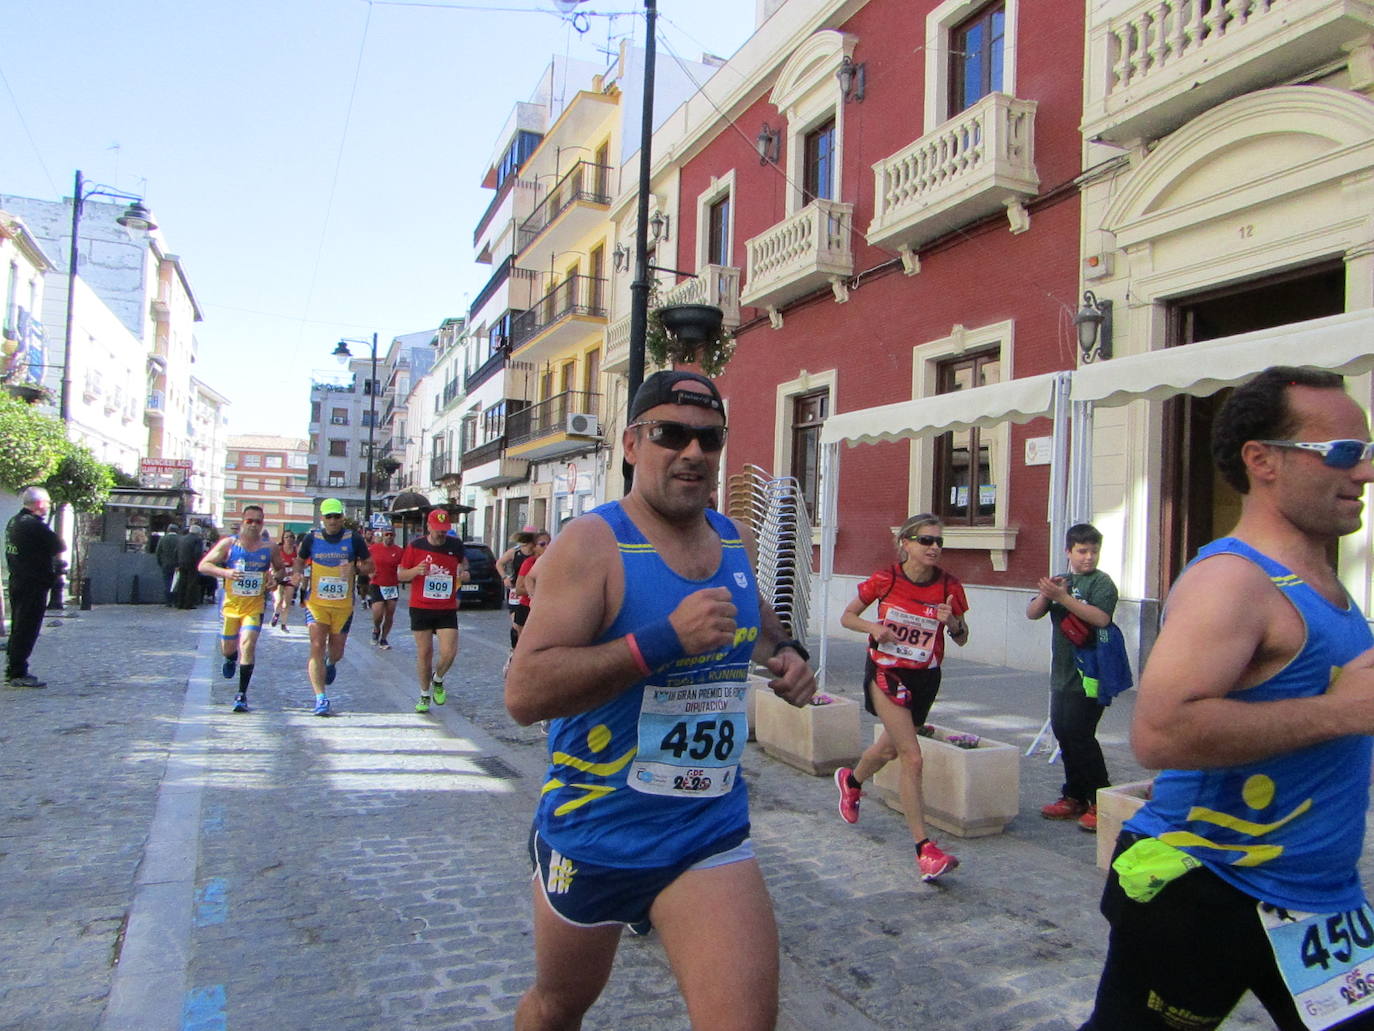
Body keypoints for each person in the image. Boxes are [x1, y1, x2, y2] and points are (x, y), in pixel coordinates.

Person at [504, 369, 816, 1031]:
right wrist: (660, 641)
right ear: (630, 443)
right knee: (558, 1007)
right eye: (670, 434)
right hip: (597, 830)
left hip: (706, 829)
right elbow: (524, 693)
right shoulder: (593, 543)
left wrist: (787, 655)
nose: (693, 452)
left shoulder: (729, 536)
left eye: (709, 438)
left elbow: (752, 616)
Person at [1080, 367, 1374, 1030]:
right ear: (1262, 460)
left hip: (1323, 906)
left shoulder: (1322, 580)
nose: (1366, 474)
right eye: (1345, 454)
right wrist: (1346, 711)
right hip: (1208, 890)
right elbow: (1159, 733)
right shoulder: (1233, 580)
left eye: (1369, 452)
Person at [832, 514, 970, 881]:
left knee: (891, 748)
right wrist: (873, 627)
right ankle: (925, 849)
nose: (934, 548)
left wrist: (952, 622)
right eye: (926, 540)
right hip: (886, 672)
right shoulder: (886, 579)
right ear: (905, 543)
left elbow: (962, 636)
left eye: (939, 542)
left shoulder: (950, 586)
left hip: (925, 675)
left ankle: (852, 781)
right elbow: (847, 617)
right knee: (912, 756)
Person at [1026, 523, 1118, 831]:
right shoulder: (1060, 581)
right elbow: (1033, 613)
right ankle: (1074, 794)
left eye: (1094, 551)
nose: (1089, 557)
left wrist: (1064, 599)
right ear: (1068, 552)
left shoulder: (1103, 584)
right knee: (1064, 733)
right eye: (1082, 551)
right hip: (1063, 674)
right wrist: (1046, 594)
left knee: (1082, 735)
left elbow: (1101, 618)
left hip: (1091, 673)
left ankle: (1099, 798)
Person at [199, 505, 286, 712]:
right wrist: (226, 573)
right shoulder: (229, 544)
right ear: (242, 521)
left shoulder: (270, 548)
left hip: (254, 606)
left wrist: (274, 579)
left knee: (248, 644)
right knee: (229, 648)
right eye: (250, 521)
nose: (254, 525)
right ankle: (230, 657)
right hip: (230, 606)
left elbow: (281, 570)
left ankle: (241, 694)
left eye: (258, 521)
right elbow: (203, 565)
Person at [292, 499, 372, 716]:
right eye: (329, 517)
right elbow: (299, 560)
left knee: (336, 652)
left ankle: (331, 661)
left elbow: (369, 566)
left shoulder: (353, 539)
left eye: (337, 516)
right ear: (322, 518)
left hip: (343, 607)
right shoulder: (312, 538)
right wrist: (298, 574)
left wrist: (355, 568)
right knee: (316, 645)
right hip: (316, 603)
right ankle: (320, 698)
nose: (333, 521)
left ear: (342, 517)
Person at [398, 509, 469, 713]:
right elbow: (401, 575)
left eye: (444, 530)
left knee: (449, 652)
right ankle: (424, 694)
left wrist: (464, 574)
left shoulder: (455, 545)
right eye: (437, 530)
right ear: (428, 527)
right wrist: (415, 571)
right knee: (425, 653)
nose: (441, 534)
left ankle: (437, 679)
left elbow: (464, 567)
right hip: (421, 607)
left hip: (446, 607)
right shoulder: (415, 546)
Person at [4, 486, 65, 688]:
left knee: (19, 626)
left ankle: (13, 667)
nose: (48, 506)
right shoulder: (34, 525)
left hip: (18, 580)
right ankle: (18, 671)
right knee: (27, 628)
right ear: (39, 504)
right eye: (47, 503)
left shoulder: (14, 522)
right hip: (32, 583)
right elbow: (58, 545)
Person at [498, 526, 539, 651]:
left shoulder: (537, 553)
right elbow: (499, 563)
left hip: (531, 591)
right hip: (516, 590)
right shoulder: (515, 552)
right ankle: (515, 649)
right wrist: (505, 577)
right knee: (516, 624)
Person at [367, 527, 404, 649]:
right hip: (377, 583)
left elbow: (404, 566)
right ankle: (376, 628)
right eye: (387, 534)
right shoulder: (374, 548)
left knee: (390, 613)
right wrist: (369, 572)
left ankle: (384, 638)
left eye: (391, 535)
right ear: (383, 535)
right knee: (378, 612)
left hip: (392, 585)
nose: (389, 537)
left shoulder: (399, 551)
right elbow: (365, 562)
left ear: (394, 536)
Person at [271, 530, 298, 631]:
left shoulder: (296, 550)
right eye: (287, 537)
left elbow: (300, 563)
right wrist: (275, 572)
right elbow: (272, 562)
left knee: (286, 603)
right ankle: (276, 614)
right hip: (279, 577)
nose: (289, 539)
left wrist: (297, 572)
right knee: (278, 600)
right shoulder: (279, 549)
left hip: (290, 579)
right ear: (283, 539)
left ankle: (283, 624)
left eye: (291, 537)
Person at [174, 525, 206, 610]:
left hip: (181, 563)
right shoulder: (197, 540)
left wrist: (177, 563)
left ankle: (180, 603)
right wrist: (199, 563)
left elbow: (176, 551)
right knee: (191, 584)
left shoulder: (181, 539)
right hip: (192, 564)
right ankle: (188, 604)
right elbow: (197, 553)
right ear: (198, 532)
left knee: (182, 583)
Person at [156, 523, 181, 607]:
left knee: (167, 582)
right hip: (177, 565)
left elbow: (158, 552)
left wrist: (160, 563)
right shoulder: (180, 539)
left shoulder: (163, 539)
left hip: (165, 564)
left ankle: (168, 601)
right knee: (176, 583)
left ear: (168, 530)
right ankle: (176, 600)